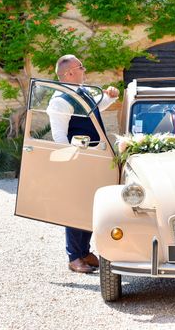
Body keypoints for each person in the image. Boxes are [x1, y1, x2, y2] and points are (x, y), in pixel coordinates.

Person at [46, 54, 119, 274]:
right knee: (75, 207)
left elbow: (99, 106)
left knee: (91, 205)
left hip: (94, 157)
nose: (84, 70)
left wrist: (111, 96)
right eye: (81, 67)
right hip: (77, 160)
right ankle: (74, 257)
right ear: (69, 73)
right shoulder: (60, 101)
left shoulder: (82, 93)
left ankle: (85, 251)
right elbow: (59, 138)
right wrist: (70, 163)